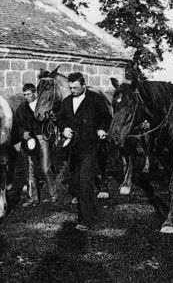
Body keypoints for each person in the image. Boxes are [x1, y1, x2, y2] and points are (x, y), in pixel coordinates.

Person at [55, 73, 112, 232]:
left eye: (75, 87)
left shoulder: (95, 99)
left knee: (85, 180)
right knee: (76, 181)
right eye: (70, 87)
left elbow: (106, 118)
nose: (72, 90)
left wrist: (102, 128)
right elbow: (60, 119)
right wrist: (64, 128)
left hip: (90, 146)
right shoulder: (66, 102)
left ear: (83, 85)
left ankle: (85, 219)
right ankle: (84, 213)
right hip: (73, 149)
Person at [13, 83, 57, 206]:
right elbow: (17, 125)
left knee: (45, 167)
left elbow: (51, 121)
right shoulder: (22, 108)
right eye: (24, 94)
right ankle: (33, 198)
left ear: (35, 93)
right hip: (29, 141)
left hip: (42, 138)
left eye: (28, 94)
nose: (26, 97)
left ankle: (53, 194)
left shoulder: (43, 105)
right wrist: (23, 134)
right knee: (30, 169)